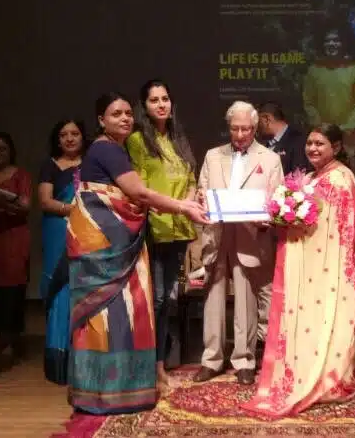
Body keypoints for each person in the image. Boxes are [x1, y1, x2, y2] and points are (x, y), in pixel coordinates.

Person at [67, 92, 208, 414]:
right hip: (105, 248)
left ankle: (111, 389)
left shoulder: (114, 149)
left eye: (128, 113)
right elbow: (138, 193)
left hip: (113, 246)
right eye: (116, 114)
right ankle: (107, 391)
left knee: (116, 317)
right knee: (110, 317)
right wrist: (183, 207)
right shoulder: (107, 150)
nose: (125, 118)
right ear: (101, 120)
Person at [240, 124, 355, 417]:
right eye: (310, 143)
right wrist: (277, 218)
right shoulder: (309, 178)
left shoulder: (341, 179)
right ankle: (300, 373)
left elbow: (340, 229)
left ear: (336, 147)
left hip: (329, 268)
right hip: (305, 265)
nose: (312, 148)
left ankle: (330, 381)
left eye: (320, 144)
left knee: (327, 319)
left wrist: (290, 219)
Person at [193, 101, 284, 386]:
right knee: (213, 296)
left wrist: (266, 218)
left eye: (246, 129)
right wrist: (201, 198)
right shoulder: (213, 156)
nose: (241, 134)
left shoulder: (270, 159)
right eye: (235, 128)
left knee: (245, 298)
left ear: (255, 128)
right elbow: (201, 190)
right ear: (228, 127)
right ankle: (211, 359)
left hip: (250, 235)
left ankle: (244, 360)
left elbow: (278, 201)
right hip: (217, 233)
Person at [126, 79, 198, 387]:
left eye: (165, 98)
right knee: (154, 300)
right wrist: (177, 207)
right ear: (144, 106)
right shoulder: (137, 140)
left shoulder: (178, 138)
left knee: (168, 299)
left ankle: (159, 366)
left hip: (179, 229)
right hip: (154, 229)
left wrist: (188, 203)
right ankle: (149, 369)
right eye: (154, 100)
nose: (161, 104)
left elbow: (191, 179)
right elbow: (140, 190)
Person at [38, 118, 87, 385]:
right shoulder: (50, 166)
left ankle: (83, 361)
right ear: (57, 140)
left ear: (83, 137)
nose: (69, 139)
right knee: (59, 290)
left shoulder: (91, 165)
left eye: (75, 133)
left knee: (83, 290)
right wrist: (76, 210)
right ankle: (58, 363)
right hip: (58, 231)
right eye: (63, 135)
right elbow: (45, 202)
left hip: (87, 232)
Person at [0, 132, 32, 360]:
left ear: (11, 151)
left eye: (2, 148)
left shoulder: (21, 175)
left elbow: (25, 206)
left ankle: (12, 338)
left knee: (14, 288)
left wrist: (1, 202)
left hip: (16, 237)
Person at [257, 101, 310, 174]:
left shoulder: (299, 141)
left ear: (266, 119)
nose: (256, 127)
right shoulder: (265, 145)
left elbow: (299, 175)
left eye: (257, 121)